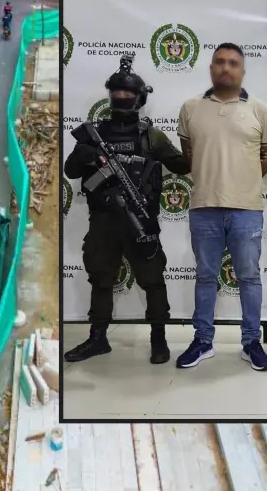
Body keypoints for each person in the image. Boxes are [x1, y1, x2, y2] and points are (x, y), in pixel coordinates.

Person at [63, 55, 191, 365]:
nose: (121, 99)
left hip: (140, 221)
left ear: (139, 99)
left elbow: (183, 165)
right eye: (116, 94)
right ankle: (98, 338)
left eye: (127, 95)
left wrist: (198, 138)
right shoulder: (95, 133)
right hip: (104, 221)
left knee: (153, 280)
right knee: (101, 278)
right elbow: (70, 170)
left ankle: (158, 337)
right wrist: (86, 154)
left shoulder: (151, 136)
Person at [175, 43, 267, 372]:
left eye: (233, 63)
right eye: (219, 62)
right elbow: (188, 150)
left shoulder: (260, 110)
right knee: (206, 277)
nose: (226, 68)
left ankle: (251, 342)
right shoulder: (190, 108)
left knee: (249, 277)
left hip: (246, 210)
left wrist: (243, 180)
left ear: (243, 71)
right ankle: (203, 341)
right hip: (204, 206)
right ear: (210, 68)